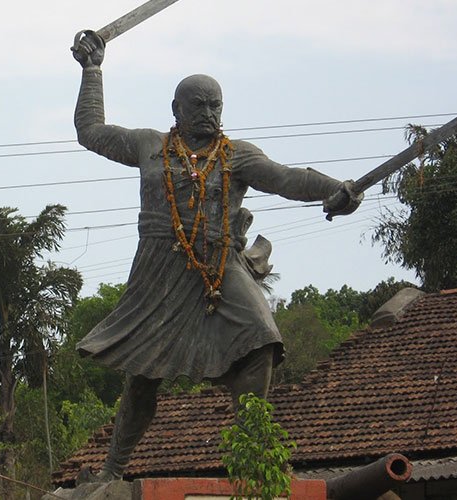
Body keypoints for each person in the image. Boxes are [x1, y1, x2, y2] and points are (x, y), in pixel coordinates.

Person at [71, 32, 362, 483]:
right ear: (176, 111)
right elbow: (90, 132)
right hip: (159, 275)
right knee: (144, 377)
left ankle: (253, 458)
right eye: (199, 106)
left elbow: (286, 179)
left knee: (262, 339)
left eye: (216, 106)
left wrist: (335, 191)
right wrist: (92, 71)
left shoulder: (237, 156)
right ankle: (113, 471)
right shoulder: (149, 145)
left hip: (216, 267)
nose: (208, 115)